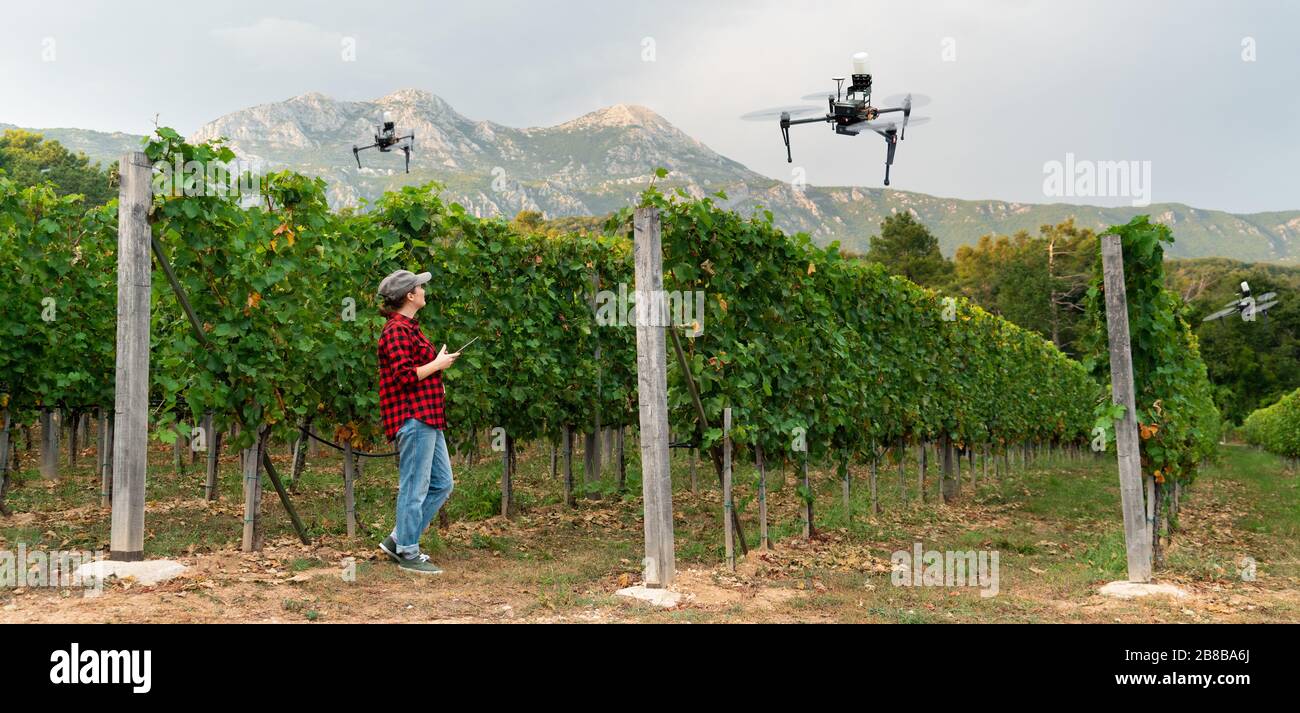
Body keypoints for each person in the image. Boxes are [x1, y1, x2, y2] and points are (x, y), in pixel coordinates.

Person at [375, 269, 460, 575]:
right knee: (415, 485)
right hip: (413, 416)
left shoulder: (410, 328)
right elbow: (404, 376)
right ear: (410, 295)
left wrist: (436, 368)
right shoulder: (396, 330)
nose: (424, 290)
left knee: (441, 483)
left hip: (428, 414)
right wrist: (437, 364)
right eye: (420, 287)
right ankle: (408, 552)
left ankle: (399, 538)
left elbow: (417, 369)